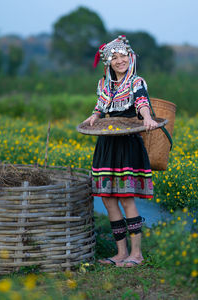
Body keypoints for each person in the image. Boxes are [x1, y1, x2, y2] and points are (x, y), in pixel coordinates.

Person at [84, 35, 158, 267]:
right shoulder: (105, 85)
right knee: (108, 198)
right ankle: (120, 253)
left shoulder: (136, 82)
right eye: (114, 57)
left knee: (126, 198)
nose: (119, 60)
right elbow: (100, 107)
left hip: (127, 143)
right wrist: (94, 117)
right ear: (108, 63)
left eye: (122, 56)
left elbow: (143, 103)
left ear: (130, 57)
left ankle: (137, 254)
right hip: (107, 144)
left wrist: (146, 118)